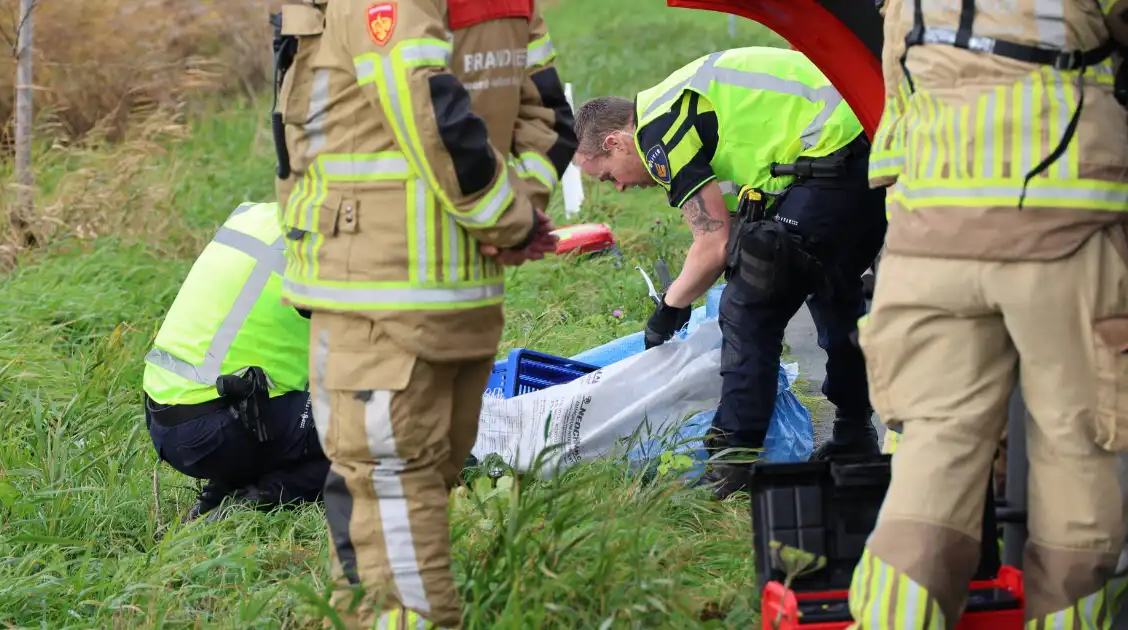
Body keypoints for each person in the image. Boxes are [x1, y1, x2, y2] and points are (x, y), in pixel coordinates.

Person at [269, 0, 575, 627]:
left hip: (379, 303)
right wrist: (515, 212)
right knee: (401, 503)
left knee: (387, 512)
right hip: (457, 300)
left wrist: (508, 221)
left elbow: (424, 105)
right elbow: (549, 112)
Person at [843, 0, 1128, 621]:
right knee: (1076, 445)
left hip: (927, 235)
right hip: (1063, 222)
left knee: (935, 447)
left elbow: (898, 100)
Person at [571, 46, 888, 498]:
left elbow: (712, 244)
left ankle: (732, 462)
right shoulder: (675, 99)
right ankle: (855, 434)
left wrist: (669, 309)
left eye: (608, 176)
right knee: (831, 289)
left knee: (748, 304)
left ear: (616, 143)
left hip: (835, 153)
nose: (619, 187)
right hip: (866, 143)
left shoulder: (658, 131)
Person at [142, 201, 329, 523]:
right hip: (218, 425)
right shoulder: (330, 241)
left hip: (166, 414)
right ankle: (253, 501)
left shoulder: (257, 215)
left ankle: (225, 490)